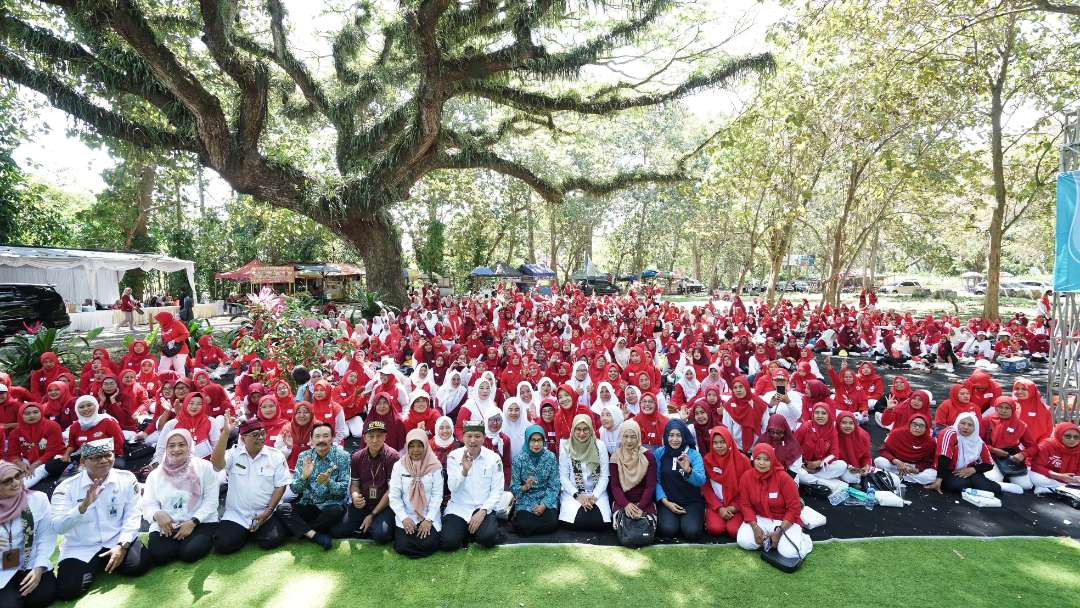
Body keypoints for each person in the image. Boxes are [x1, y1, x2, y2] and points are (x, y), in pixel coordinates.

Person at [51, 439, 152, 602]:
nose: (104, 460)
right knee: (67, 591)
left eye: (107, 455)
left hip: (116, 539)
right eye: (97, 457)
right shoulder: (66, 488)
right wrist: (82, 507)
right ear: (83, 462)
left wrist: (122, 545)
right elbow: (58, 527)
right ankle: (96, 565)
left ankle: (106, 562)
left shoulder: (126, 479)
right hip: (81, 546)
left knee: (139, 565)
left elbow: (132, 515)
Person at [211, 416, 290, 554]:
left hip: (266, 512)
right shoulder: (233, 454)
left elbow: (280, 485)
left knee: (272, 540)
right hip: (237, 514)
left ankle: (251, 532)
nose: (260, 438)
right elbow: (216, 465)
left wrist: (268, 511)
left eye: (262, 433)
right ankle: (243, 532)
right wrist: (225, 434)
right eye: (255, 435)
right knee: (223, 545)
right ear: (243, 438)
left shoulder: (276, 456)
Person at [142, 428, 220, 564]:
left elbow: (211, 501)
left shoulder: (204, 467)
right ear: (166, 448)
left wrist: (193, 522)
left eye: (181, 444)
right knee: (161, 555)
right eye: (171, 445)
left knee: (189, 553)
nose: (176, 449)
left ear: (189, 446)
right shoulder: (156, 475)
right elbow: (148, 503)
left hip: (199, 521)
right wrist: (157, 514)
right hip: (168, 524)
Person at [277, 422, 349, 550]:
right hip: (309, 504)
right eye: (317, 436)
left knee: (336, 511)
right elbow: (295, 489)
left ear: (332, 438)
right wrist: (304, 476)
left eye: (326, 436)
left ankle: (301, 529)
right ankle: (315, 535)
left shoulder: (343, 456)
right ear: (311, 439)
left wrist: (328, 482)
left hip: (330, 506)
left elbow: (342, 491)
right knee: (283, 509)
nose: (321, 440)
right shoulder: (304, 457)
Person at [735, 444, 813, 560]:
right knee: (744, 541)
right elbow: (745, 505)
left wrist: (780, 531)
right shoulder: (746, 477)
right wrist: (755, 527)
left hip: (785, 521)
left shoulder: (784, 478)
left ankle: (803, 539)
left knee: (789, 553)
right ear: (753, 459)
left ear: (772, 460)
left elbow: (794, 508)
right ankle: (769, 540)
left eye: (766, 459)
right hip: (760, 518)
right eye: (758, 458)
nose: (761, 463)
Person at [440, 421, 506, 550]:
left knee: (487, 538)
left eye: (477, 436)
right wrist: (464, 471)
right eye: (469, 436)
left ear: (483, 437)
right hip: (459, 508)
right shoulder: (454, 457)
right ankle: (468, 531)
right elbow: (452, 488)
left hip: (482, 507)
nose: (473, 440)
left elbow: (497, 490)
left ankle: (477, 529)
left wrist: (483, 511)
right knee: (448, 543)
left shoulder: (493, 458)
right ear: (463, 437)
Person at [0, 461, 57, 608]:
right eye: (7, 481)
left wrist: (39, 568)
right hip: (1, 568)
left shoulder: (38, 499)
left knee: (44, 596)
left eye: (17, 476)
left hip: (29, 562)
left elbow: (46, 536)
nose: (15, 483)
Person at [330, 419, 397, 543]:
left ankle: (369, 525)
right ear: (364, 438)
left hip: (384, 506)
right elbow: (354, 484)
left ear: (385, 437)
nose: (375, 440)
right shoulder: (357, 457)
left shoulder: (392, 456)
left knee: (381, 536)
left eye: (379, 436)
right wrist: (355, 496)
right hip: (363, 504)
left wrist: (372, 515)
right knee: (337, 531)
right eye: (371, 436)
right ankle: (368, 526)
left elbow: (392, 491)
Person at [927, 412, 1018, 496]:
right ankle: (979, 483)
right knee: (957, 485)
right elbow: (944, 457)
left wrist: (973, 469)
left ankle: (998, 486)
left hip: (969, 472)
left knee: (986, 488)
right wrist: (939, 480)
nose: (966, 427)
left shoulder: (977, 440)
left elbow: (989, 464)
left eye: (970, 425)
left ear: (976, 428)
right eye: (963, 423)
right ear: (957, 422)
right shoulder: (949, 433)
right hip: (946, 470)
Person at [387, 428, 443, 557]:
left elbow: (437, 495)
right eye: (411, 446)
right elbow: (394, 496)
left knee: (428, 544)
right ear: (407, 447)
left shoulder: (435, 466)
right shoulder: (399, 466)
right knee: (402, 545)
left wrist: (428, 520)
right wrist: (404, 518)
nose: (416, 450)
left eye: (420, 445)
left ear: (426, 446)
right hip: (407, 515)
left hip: (428, 514)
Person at [558, 413, 611, 531]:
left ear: (591, 429)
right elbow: (563, 477)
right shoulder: (566, 447)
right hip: (573, 493)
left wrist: (594, 496)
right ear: (573, 429)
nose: (582, 433)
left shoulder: (600, 446)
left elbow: (604, 476)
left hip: (596, 493)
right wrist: (578, 496)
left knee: (599, 523)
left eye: (585, 429)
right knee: (577, 522)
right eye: (578, 429)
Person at [654, 419, 705, 540]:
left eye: (678, 435)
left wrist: (689, 471)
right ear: (666, 436)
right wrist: (666, 502)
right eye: (671, 435)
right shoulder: (659, 453)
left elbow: (701, 480)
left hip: (691, 501)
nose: (675, 439)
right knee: (668, 530)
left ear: (684, 436)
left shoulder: (693, 454)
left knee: (691, 532)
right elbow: (655, 480)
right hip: (668, 501)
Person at [608, 419, 657, 547]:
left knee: (644, 521)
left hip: (644, 502)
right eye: (625, 436)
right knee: (624, 523)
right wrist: (626, 505)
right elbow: (615, 486)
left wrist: (640, 506)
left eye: (633, 437)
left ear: (638, 437)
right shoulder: (615, 457)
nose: (629, 441)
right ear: (621, 436)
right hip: (623, 501)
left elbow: (650, 486)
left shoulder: (648, 457)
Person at [510, 424, 560, 537]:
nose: (536, 444)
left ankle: (525, 526)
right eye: (532, 440)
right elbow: (514, 488)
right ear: (527, 441)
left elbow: (555, 485)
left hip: (545, 497)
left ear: (544, 441)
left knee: (552, 523)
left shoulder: (550, 457)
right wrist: (525, 486)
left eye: (539, 440)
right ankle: (523, 523)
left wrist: (544, 505)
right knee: (524, 524)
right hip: (526, 498)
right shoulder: (519, 459)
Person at [702, 426, 750, 539]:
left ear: (729, 441)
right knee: (715, 529)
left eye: (722, 442)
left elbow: (748, 488)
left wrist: (734, 507)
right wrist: (719, 508)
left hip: (737, 504)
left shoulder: (743, 461)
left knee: (734, 531)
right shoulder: (707, 460)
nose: (719, 446)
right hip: (716, 504)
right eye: (715, 443)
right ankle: (708, 515)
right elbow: (706, 487)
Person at [5, 402, 66, 488]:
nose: (32, 415)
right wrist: (20, 464)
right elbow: (12, 454)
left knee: (33, 475)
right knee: (9, 471)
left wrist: (34, 465)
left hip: (52, 460)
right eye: (27, 413)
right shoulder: (15, 433)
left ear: (41, 412)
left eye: (35, 412)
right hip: (28, 460)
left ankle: (18, 489)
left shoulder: (52, 426)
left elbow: (53, 451)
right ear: (21, 415)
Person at [981, 397, 1036, 491]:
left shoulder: (1020, 425)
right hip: (990, 455)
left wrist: (1023, 454)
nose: (1003, 411)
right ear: (996, 407)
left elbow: (1033, 447)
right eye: (1000, 407)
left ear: (1013, 409)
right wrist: (993, 450)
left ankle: (1004, 477)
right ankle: (1005, 482)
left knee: (1026, 486)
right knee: (992, 479)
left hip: (1010, 458)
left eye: (1007, 408)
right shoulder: (986, 421)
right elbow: (978, 442)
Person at [874, 414, 938, 486]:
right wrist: (895, 461)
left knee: (932, 475)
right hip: (895, 464)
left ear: (926, 428)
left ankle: (894, 476)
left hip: (912, 467)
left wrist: (917, 469)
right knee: (879, 461)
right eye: (914, 424)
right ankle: (900, 476)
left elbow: (928, 461)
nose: (917, 428)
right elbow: (883, 450)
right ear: (909, 424)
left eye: (921, 426)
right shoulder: (896, 433)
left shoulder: (930, 442)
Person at [1027, 422, 1080, 494]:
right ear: (1059, 434)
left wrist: (1076, 478)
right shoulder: (1047, 445)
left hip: (1068, 479)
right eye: (1068, 436)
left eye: (1076, 437)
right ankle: (1064, 489)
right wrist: (1058, 476)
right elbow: (1035, 466)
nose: (1072, 440)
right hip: (1046, 475)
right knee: (1036, 478)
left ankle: (1050, 489)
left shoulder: (1078, 449)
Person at [835, 410, 871, 484]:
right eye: (844, 423)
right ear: (838, 423)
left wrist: (866, 466)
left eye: (851, 423)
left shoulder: (862, 435)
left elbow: (866, 456)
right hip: (840, 467)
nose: (847, 426)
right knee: (851, 478)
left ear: (855, 424)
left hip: (857, 468)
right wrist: (848, 466)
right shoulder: (833, 436)